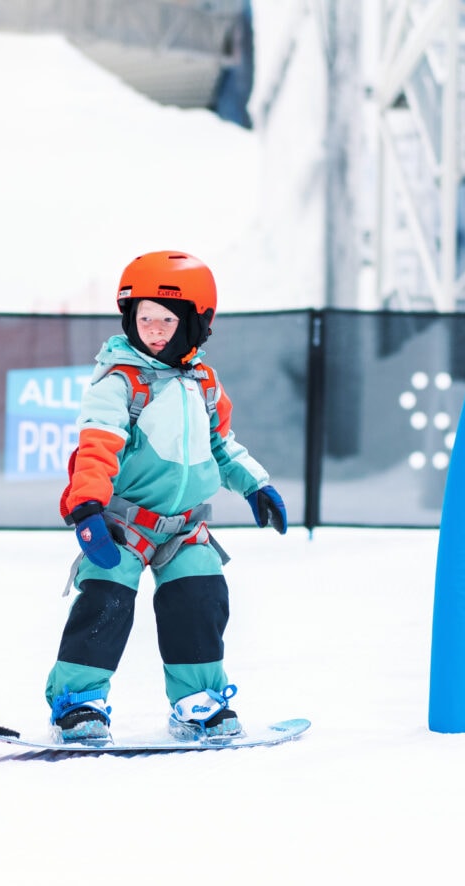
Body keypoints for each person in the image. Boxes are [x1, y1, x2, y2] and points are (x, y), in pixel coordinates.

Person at [46, 250, 287, 742]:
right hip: (122, 524)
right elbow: (97, 444)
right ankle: (79, 701)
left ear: (196, 324)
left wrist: (256, 485)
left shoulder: (204, 383)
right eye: (144, 318)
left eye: (167, 320)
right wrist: (86, 505)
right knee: (106, 600)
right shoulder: (119, 382)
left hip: (185, 527)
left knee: (200, 600)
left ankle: (197, 700)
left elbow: (221, 446)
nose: (154, 330)